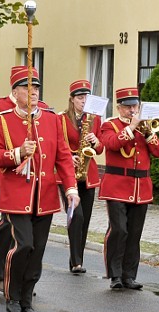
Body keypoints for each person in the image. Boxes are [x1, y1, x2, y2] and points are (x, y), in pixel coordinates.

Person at [0, 66, 79, 312]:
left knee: (37, 250)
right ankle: (12, 295)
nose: (34, 92)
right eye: (28, 88)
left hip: (45, 197)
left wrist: (71, 188)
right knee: (23, 245)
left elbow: (63, 157)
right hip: (17, 197)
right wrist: (17, 153)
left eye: (37, 88)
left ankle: (27, 300)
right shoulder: (2, 120)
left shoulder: (52, 119)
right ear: (15, 93)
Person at [99, 87, 159, 290]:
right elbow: (111, 144)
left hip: (141, 188)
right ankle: (115, 275)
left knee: (134, 233)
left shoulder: (146, 127)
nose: (132, 110)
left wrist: (147, 134)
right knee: (119, 230)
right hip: (117, 186)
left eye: (135, 106)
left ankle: (129, 275)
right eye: (127, 107)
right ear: (119, 108)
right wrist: (130, 128)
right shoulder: (109, 124)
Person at [58, 80, 104, 273]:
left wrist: (95, 142)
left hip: (88, 174)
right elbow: (58, 145)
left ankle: (77, 259)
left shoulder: (94, 119)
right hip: (68, 173)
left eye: (86, 97)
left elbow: (101, 148)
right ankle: (76, 261)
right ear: (72, 99)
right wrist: (70, 156)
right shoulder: (60, 119)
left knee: (85, 219)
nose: (84, 101)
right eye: (80, 97)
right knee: (76, 216)